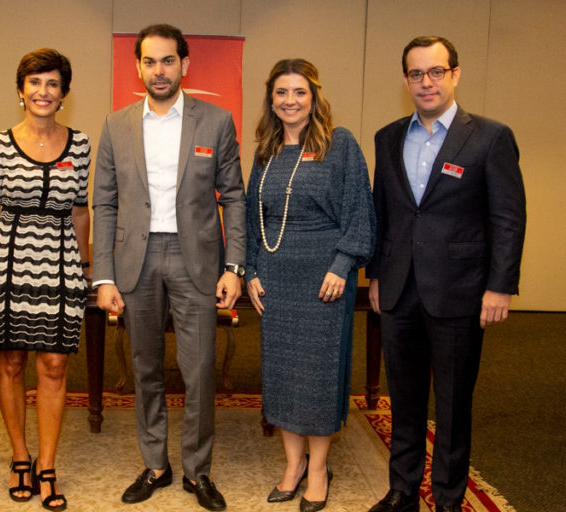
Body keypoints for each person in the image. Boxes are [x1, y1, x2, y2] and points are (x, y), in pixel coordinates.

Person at [366, 36, 526, 512]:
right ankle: (402, 489)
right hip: (397, 288)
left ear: (455, 74)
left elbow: (508, 218)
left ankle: (450, 498)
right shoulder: (388, 136)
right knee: (404, 395)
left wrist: (500, 285)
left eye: (436, 71)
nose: (426, 82)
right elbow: (384, 213)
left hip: (460, 290)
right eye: (416, 73)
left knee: (454, 402)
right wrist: (375, 275)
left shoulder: (491, 137)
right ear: (406, 80)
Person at [92, 23, 246, 512]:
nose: (159, 71)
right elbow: (106, 202)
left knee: (198, 369)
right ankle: (155, 464)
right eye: (149, 62)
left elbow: (235, 198)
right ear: (137, 67)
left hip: (196, 258)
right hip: (133, 261)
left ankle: (197, 471)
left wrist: (234, 266)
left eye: (167, 61)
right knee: (144, 366)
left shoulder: (216, 122)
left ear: (185, 65)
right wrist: (103, 275)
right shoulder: (116, 125)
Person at [245, 59, 375, 512]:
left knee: (319, 377)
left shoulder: (340, 145)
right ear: (271, 99)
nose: (290, 101)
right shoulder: (267, 149)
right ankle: (292, 465)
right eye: (281, 92)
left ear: (314, 96)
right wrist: (252, 271)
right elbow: (251, 217)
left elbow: (361, 211)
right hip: (276, 279)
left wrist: (342, 265)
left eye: (299, 92)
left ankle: (318, 469)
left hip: (325, 282)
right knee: (281, 374)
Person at [0, 48, 90, 511]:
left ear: (64, 94)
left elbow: (81, 212)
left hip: (61, 265)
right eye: (35, 83)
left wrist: (85, 270)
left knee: (55, 366)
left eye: (53, 84)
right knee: (9, 364)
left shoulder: (80, 144)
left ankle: (47, 463)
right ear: (20, 90)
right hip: (8, 263)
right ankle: (19, 456)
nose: (43, 92)